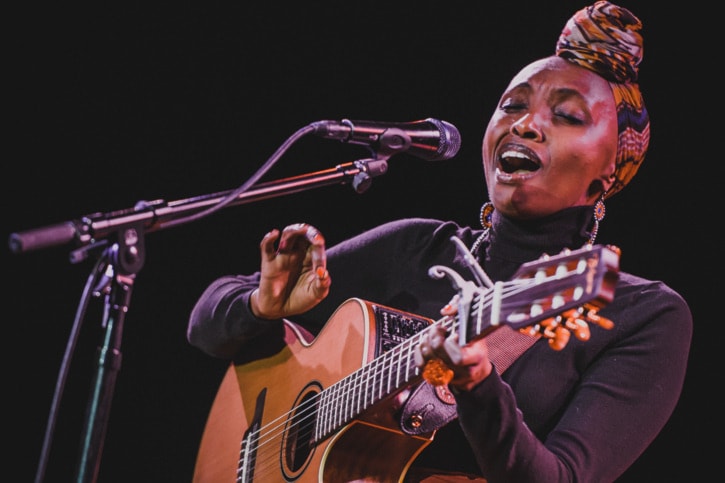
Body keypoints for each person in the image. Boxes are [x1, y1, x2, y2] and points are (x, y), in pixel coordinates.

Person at [187, 2, 692, 482]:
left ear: (610, 170)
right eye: (512, 105)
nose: (526, 124)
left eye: (567, 116)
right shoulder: (417, 247)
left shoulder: (642, 314)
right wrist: (260, 304)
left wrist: (476, 385)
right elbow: (204, 327)